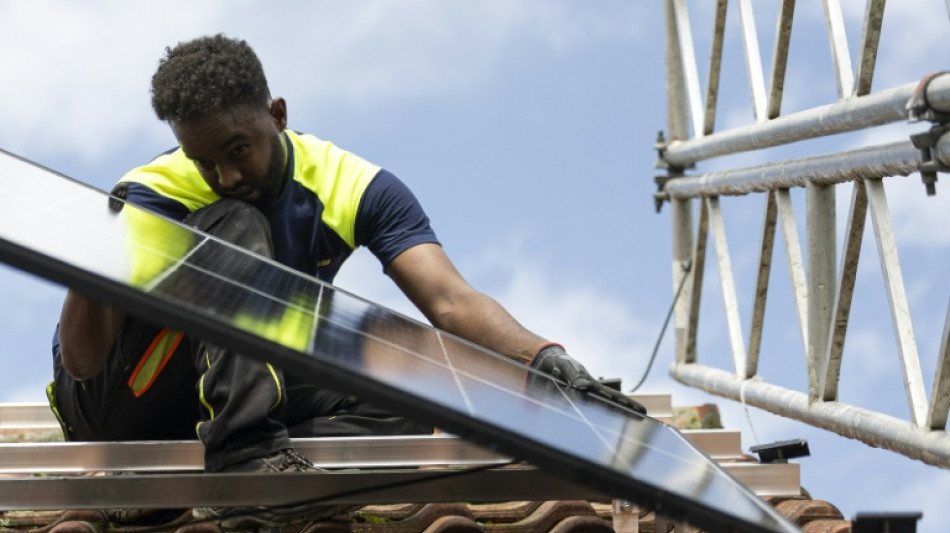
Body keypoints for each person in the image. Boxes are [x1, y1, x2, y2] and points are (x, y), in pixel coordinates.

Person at [49, 34, 645, 530]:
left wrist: (546, 362)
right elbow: (83, 361)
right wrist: (97, 260)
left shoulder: (349, 185)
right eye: (204, 162)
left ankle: (259, 480)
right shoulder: (155, 193)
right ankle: (243, 463)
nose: (225, 175)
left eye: (238, 150)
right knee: (235, 223)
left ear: (277, 115)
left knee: (409, 392)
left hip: (236, 393)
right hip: (124, 398)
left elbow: (450, 300)